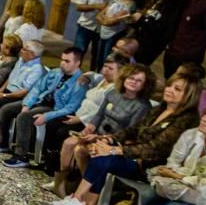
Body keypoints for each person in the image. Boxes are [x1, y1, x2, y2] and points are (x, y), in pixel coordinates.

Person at [51, 73, 202, 205]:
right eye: (169, 86)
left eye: (177, 89)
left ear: (189, 95)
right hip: (135, 155)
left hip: (152, 166)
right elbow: (133, 130)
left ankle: (82, 201)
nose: (169, 90)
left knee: (106, 155)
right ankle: (83, 203)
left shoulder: (186, 119)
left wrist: (113, 149)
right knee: (100, 151)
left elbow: (155, 149)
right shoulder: (160, 109)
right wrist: (108, 139)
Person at [46, 60, 153, 195]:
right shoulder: (114, 93)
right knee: (68, 143)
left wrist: (100, 137)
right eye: (132, 78)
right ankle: (60, 183)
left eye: (139, 81)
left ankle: (87, 191)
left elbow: (129, 132)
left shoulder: (141, 106)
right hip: (97, 133)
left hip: (116, 141)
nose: (133, 82)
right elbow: (98, 115)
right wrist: (88, 129)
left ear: (145, 85)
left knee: (81, 150)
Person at [3, 47, 87, 168]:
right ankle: (3, 142)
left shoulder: (80, 82)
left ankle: (21, 155)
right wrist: (27, 104)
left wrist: (46, 116)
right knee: (7, 109)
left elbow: (70, 108)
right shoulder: (56, 72)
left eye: (67, 61)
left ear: (77, 63)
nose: (62, 63)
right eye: (62, 59)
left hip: (55, 109)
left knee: (24, 117)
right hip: (40, 101)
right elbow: (37, 88)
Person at [73, 0, 118, 67]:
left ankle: (92, 77)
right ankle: (73, 75)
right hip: (85, 26)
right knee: (78, 52)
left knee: (97, 56)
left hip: (101, 29)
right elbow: (79, 7)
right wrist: (95, 6)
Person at [133, 0, 182, 66]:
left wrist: (142, 19)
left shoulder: (172, 8)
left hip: (151, 46)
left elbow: (163, 29)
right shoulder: (155, 2)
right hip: (139, 40)